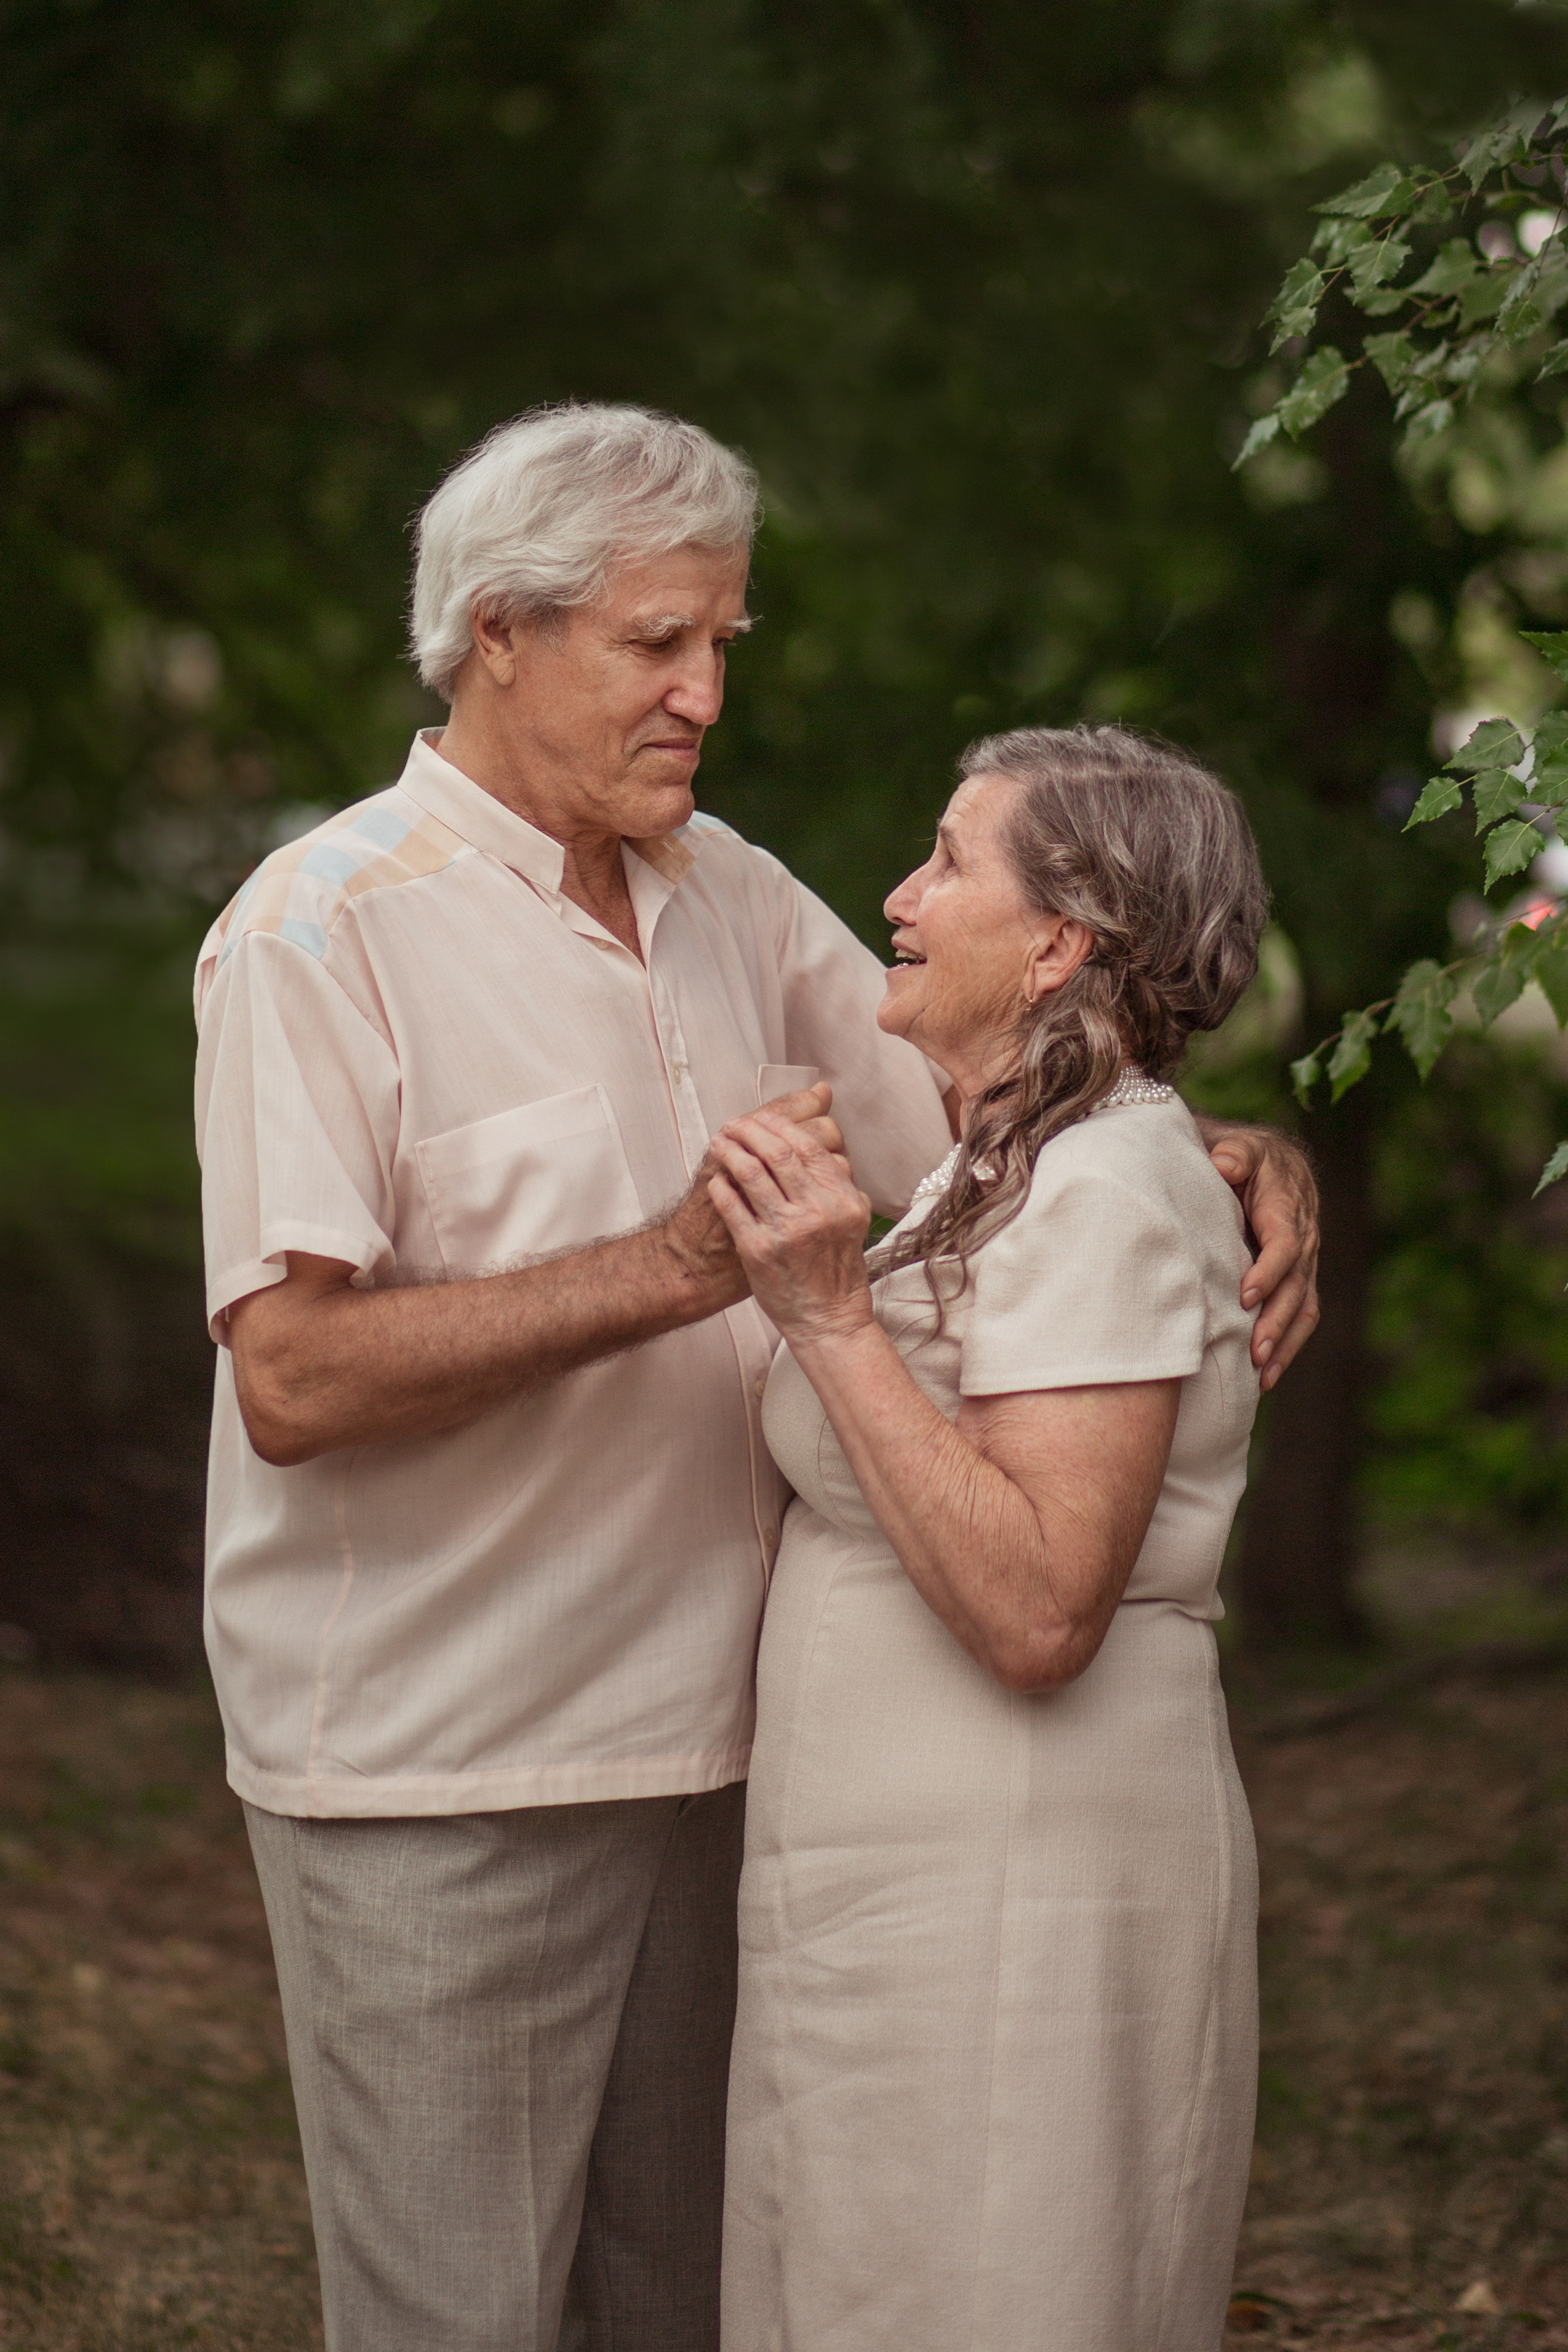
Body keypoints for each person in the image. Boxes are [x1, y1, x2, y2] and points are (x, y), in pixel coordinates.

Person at [194, 404, 1316, 2352]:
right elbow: (289, 1372)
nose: (707, 692)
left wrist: (1224, 1144)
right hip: (448, 1772)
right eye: (658, 643)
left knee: (682, 2314)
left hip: (732, 1766)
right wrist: (675, 1269)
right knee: (459, 2318)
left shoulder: (726, 889)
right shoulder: (318, 934)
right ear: (499, 639)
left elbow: (1015, 1100)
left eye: (725, 641)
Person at [711, 725, 1274, 2351]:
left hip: (1023, 1904)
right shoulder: (1001, 1159)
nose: (899, 893)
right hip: (925, 1895)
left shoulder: (1098, 1187)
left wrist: (827, 1315)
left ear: (1061, 941)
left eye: (948, 858)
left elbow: (1040, 1605)